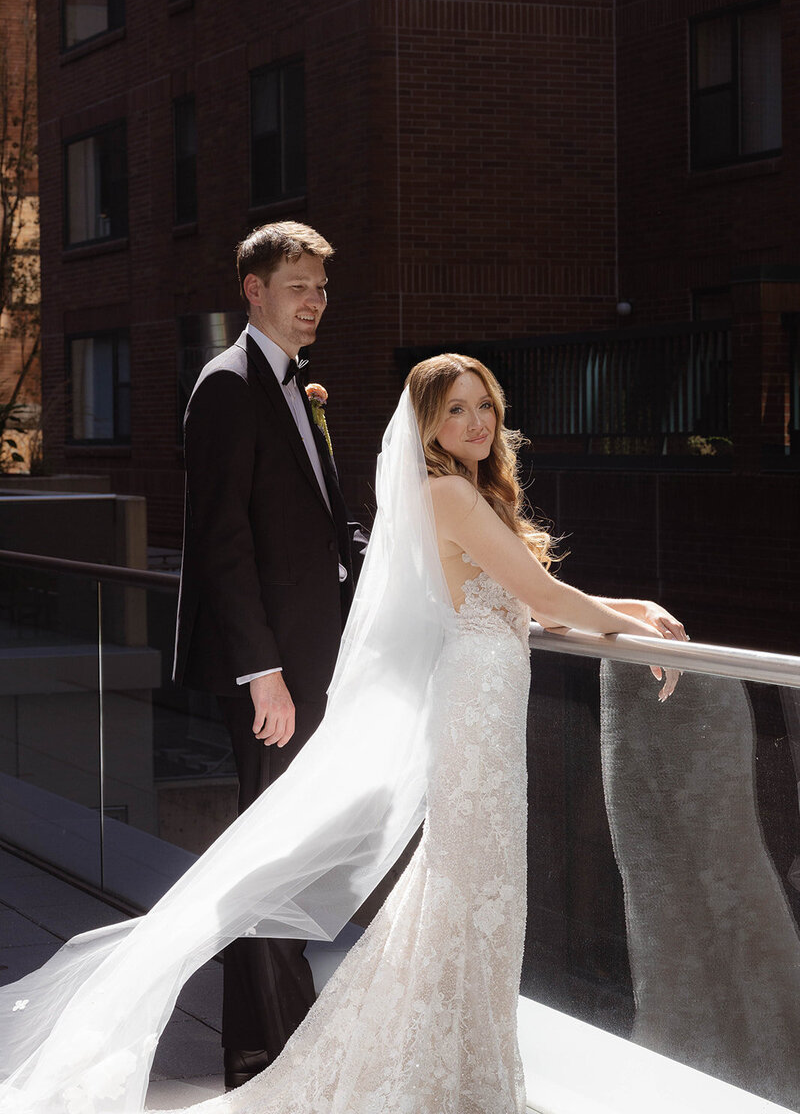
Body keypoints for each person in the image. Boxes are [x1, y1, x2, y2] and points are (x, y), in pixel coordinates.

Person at [0, 354, 684, 1114]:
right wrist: (637, 620)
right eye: (456, 410)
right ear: (427, 423)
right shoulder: (449, 493)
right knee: (474, 890)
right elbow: (540, 592)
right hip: (475, 715)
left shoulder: (458, 493)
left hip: (485, 709)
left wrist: (631, 610)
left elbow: (528, 601)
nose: (477, 422)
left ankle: (457, 1071)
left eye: (484, 405)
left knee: (472, 893)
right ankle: (448, 1077)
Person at [173, 221, 356, 1087]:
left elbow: (318, 528)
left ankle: (272, 1048)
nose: (314, 300)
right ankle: (261, 1057)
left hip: (313, 662)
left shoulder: (301, 388)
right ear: (253, 290)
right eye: (297, 285)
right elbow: (221, 540)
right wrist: (263, 674)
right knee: (270, 858)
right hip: (271, 675)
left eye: (321, 286)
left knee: (286, 853)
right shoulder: (229, 385)